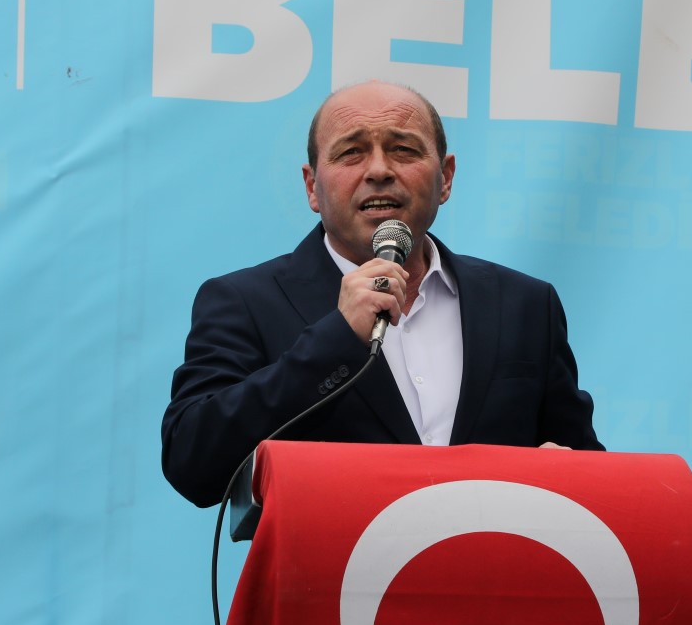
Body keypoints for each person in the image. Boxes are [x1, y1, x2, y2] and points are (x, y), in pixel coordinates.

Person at [161, 80, 602, 509]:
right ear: (312, 186)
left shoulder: (525, 304)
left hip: (491, 557)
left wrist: (571, 474)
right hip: (330, 560)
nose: (378, 171)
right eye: (351, 152)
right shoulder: (245, 301)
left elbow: (585, 465)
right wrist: (336, 338)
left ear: (445, 178)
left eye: (403, 149)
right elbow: (193, 462)